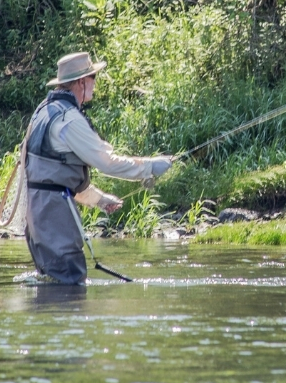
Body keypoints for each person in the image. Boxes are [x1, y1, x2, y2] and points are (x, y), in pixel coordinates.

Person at [21, 52, 173, 284]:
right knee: (69, 282)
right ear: (81, 81)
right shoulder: (69, 119)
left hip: (37, 217)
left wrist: (99, 199)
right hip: (54, 216)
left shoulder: (44, 112)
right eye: (93, 76)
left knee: (54, 283)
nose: (95, 82)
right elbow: (106, 162)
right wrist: (149, 167)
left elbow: (53, 178)